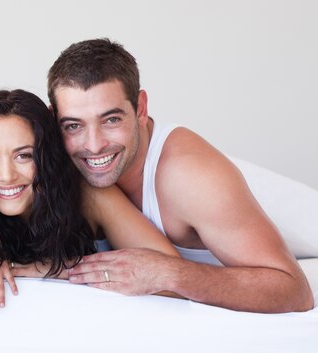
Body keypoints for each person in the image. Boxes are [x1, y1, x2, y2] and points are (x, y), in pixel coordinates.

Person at [48, 38, 313, 312]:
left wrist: (169, 273)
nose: (94, 145)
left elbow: (295, 291)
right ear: (53, 118)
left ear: (140, 108)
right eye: (73, 126)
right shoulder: (54, 160)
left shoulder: (191, 178)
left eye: (111, 120)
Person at [0, 89, 180, 312]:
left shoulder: (90, 195)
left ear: (46, 156)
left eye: (24, 155)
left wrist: (44, 269)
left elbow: (174, 278)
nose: (6, 175)